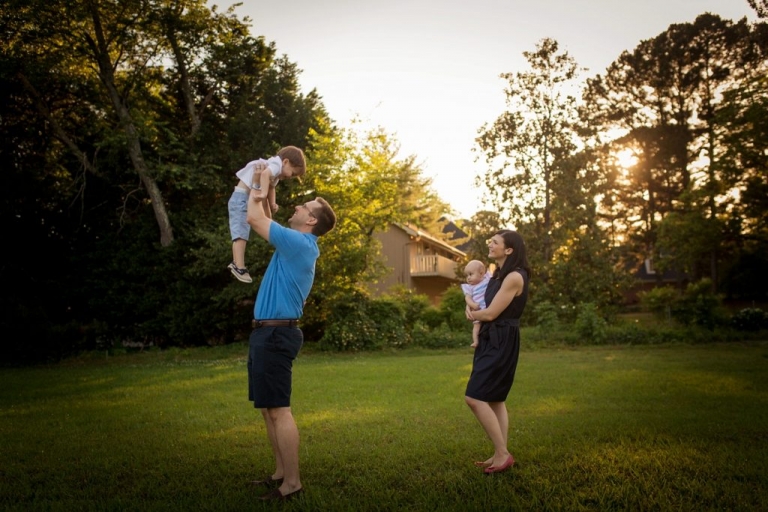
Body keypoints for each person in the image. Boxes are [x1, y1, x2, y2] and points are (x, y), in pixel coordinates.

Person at [245, 187, 336, 500]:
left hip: (275, 335)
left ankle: (292, 483)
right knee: (269, 409)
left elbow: (254, 218)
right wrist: (268, 192)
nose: (297, 206)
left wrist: (256, 182)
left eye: (304, 206)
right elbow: (267, 217)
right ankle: (280, 473)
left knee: (280, 410)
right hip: (267, 333)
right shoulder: (294, 243)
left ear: (311, 220)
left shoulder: (299, 243)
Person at [464, 230, 530, 475]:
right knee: (495, 399)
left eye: (495, 242)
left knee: (474, 397)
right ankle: (499, 452)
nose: (489, 244)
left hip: (502, 338)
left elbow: (491, 313)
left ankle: (503, 454)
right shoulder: (497, 275)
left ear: (509, 250)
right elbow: (481, 304)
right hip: (490, 337)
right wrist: (472, 309)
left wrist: (474, 315)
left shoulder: (514, 276)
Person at [227, 146, 306, 283]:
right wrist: (262, 193)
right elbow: (264, 176)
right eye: (292, 173)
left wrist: (272, 203)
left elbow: (271, 187)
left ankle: (271, 231)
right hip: (241, 198)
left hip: (247, 197)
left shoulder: (275, 174)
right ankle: (237, 265)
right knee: (241, 232)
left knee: (261, 220)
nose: (290, 177)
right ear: (285, 162)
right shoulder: (275, 164)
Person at [461, 260, 491, 348]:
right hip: (478, 309)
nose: (468, 278)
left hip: (489, 309)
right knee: (476, 326)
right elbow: (468, 298)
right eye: (467, 275)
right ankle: (475, 341)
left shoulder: (487, 279)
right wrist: (472, 305)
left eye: (471, 274)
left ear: (481, 273)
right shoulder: (470, 287)